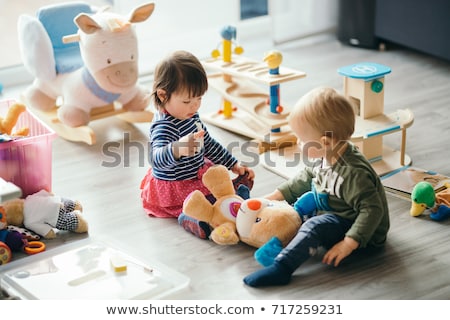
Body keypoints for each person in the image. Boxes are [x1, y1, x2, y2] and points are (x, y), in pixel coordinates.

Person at [243, 87, 389, 287]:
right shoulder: (324, 156)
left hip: (363, 233)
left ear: (325, 142)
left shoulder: (353, 173)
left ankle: (282, 268)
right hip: (335, 210)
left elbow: (372, 210)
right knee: (295, 214)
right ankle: (278, 243)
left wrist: (349, 243)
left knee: (314, 225)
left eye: (302, 139)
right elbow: (305, 177)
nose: (297, 142)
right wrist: (273, 197)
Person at [140, 50, 254, 223]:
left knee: (217, 180)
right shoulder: (164, 126)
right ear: (163, 95)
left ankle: (231, 196)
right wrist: (178, 148)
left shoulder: (190, 115)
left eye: (199, 98)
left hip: (196, 172)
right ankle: (196, 219)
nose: (195, 106)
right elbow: (156, 159)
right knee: (200, 203)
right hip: (177, 185)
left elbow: (208, 143)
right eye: (187, 101)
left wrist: (233, 164)